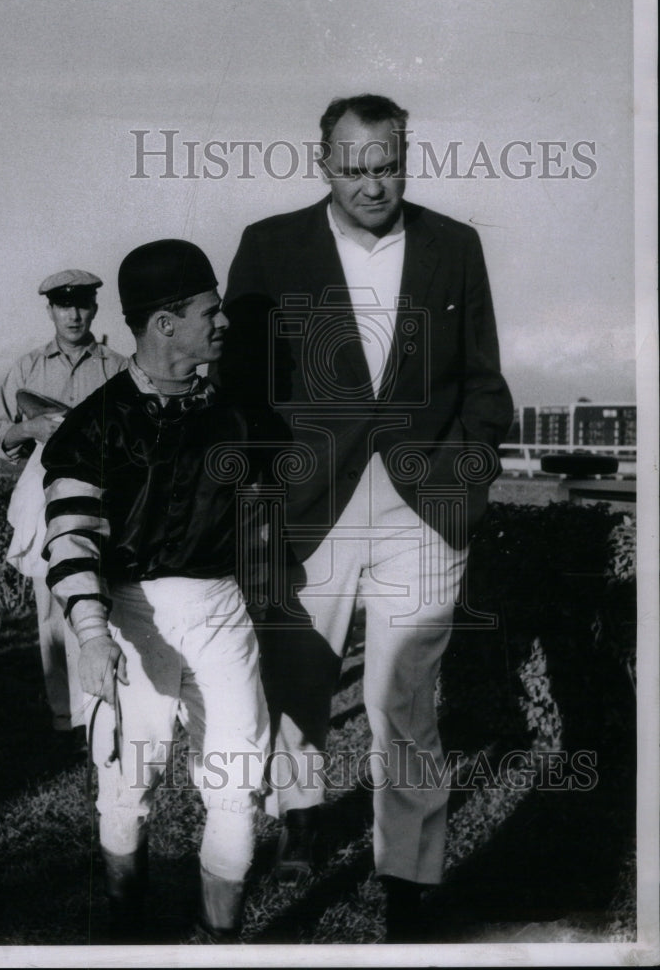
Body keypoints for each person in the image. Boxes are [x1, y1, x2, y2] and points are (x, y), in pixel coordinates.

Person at [219, 93, 514, 941]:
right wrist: (259, 504)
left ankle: (407, 878)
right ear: (323, 164)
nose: (370, 183)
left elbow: (483, 385)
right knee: (297, 679)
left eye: (385, 164)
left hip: (424, 510)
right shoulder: (269, 247)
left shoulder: (454, 246)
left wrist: (463, 482)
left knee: (403, 701)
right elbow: (242, 393)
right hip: (307, 508)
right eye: (352, 167)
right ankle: (302, 812)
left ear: (404, 159)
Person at [40, 240, 270, 941]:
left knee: (236, 784)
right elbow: (71, 536)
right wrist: (89, 634)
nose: (223, 322)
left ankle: (219, 944)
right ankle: (126, 938)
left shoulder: (235, 414)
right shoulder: (96, 424)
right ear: (165, 323)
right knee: (127, 785)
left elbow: (261, 517)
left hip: (220, 609)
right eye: (210, 311)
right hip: (131, 616)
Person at [0, 270, 126, 733]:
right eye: (64, 306)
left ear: (95, 308)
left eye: (82, 304)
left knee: (106, 602)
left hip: (106, 502)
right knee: (51, 608)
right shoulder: (27, 367)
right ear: (50, 310)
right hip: (44, 504)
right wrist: (30, 429)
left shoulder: (119, 367)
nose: (74, 314)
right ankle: (67, 715)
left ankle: (108, 712)